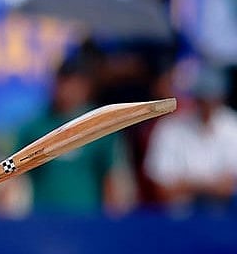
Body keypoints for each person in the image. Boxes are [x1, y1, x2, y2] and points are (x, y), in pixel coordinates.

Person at [14, 56, 130, 215]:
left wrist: (113, 220)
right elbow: (15, 178)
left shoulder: (101, 125)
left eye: (75, 83)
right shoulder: (34, 128)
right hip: (43, 218)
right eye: (64, 82)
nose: (68, 90)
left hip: (87, 219)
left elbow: (111, 176)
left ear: (86, 87)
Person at [144, 64, 237, 215]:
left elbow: (229, 187)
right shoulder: (170, 128)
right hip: (180, 221)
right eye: (203, 99)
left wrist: (186, 184)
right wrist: (211, 186)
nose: (207, 105)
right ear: (195, 98)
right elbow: (163, 189)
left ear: (222, 98)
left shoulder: (233, 127)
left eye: (212, 98)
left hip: (226, 221)